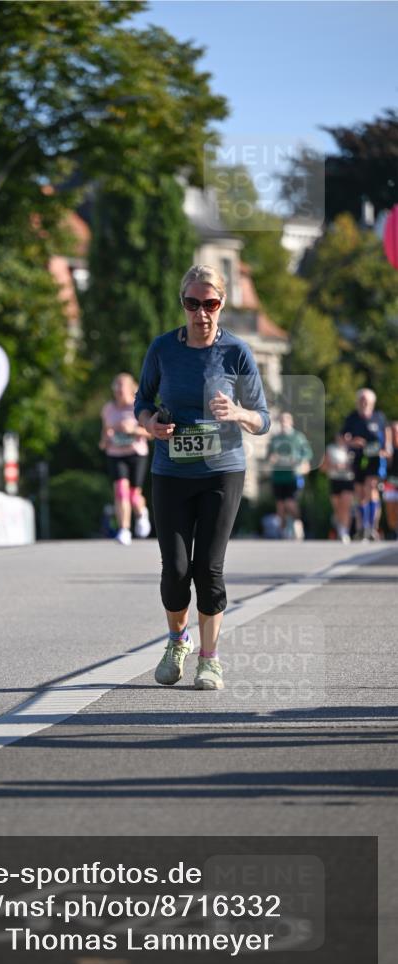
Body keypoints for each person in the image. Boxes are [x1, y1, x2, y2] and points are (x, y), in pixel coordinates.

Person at [135, 264, 270, 691]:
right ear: (183, 304)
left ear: (222, 304)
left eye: (209, 304)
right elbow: (142, 401)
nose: (201, 313)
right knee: (176, 570)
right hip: (171, 471)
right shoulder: (163, 349)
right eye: (192, 304)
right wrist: (150, 424)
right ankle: (178, 641)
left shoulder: (236, 353)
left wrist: (238, 412)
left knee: (208, 568)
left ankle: (210, 660)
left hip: (222, 472)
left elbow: (262, 418)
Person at [100, 372, 152, 545]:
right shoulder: (108, 409)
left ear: (130, 389)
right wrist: (106, 438)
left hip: (136, 453)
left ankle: (142, 513)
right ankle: (124, 529)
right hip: (115, 454)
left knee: (134, 494)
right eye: (115, 387)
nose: (118, 391)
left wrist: (132, 430)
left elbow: (151, 433)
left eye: (121, 387)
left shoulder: (138, 407)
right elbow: (104, 434)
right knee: (121, 490)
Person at [341, 389, 390, 541]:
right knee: (360, 492)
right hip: (358, 457)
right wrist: (352, 442)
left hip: (375, 458)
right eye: (361, 400)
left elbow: (386, 431)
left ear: (372, 403)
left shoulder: (378, 417)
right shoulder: (352, 418)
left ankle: (373, 527)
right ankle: (362, 526)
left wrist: (386, 448)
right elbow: (343, 437)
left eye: (366, 400)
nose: (364, 403)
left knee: (371, 487)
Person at [266, 412, 313, 540]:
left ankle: (298, 524)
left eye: (286, 420)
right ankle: (283, 532)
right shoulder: (275, 438)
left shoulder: (298, 437)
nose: (283, 423)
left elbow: (307, 453)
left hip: (293, 475)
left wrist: (299, 460)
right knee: (280, 505)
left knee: (290, 502)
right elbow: (269, 455)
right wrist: (272, 458)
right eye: (281, 420)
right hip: (278, 475)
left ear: (291, 422)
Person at [322, 438, 355, 543]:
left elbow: (360, 465)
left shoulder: (352, 449)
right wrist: (334, 466)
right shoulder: (331, 449)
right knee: (337, 508)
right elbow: (323, 467)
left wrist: (347, 466)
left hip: (348, 480)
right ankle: (340, 528)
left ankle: (344, 532)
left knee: (346, 507)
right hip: (335, 480)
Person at [382, 421, 398, 540]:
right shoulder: (386, 449)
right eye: (392, 431)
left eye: (396, 431)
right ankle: (394, 530)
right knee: (391, 511)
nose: (395, 433)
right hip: (390, 483)